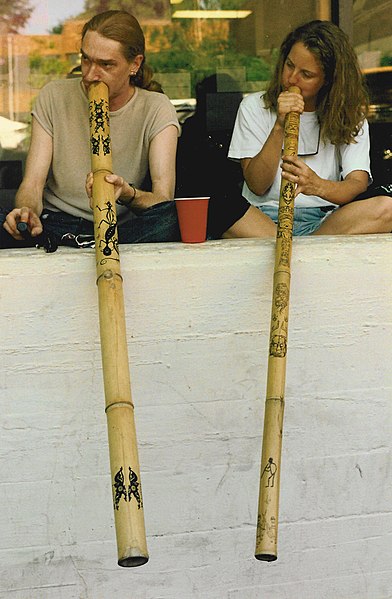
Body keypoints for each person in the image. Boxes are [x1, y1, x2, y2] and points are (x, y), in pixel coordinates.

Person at [1, 10, 269, 250]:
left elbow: (162, 200)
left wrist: (127, 193)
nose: (90, 74)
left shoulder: (155, 107)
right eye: (86, 60)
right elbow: (32, 184)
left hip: (124, 230)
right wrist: (26, 213)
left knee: (190, 213)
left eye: (106, 64)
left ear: (134, 64)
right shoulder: (53, 96)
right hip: (57, 224)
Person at [229, 20, 392, 236]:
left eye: (306, 74)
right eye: (289, 65)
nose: (291, 78)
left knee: (387, 208)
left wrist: (316, 185)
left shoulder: (350, 113)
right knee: (221, 210)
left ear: (328, 80)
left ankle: (303, 247)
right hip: (262, 220)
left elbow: (357, 183)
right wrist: (279, 125)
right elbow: (257, 185)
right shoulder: (253, 106)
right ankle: (308, 250)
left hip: (325, 220)